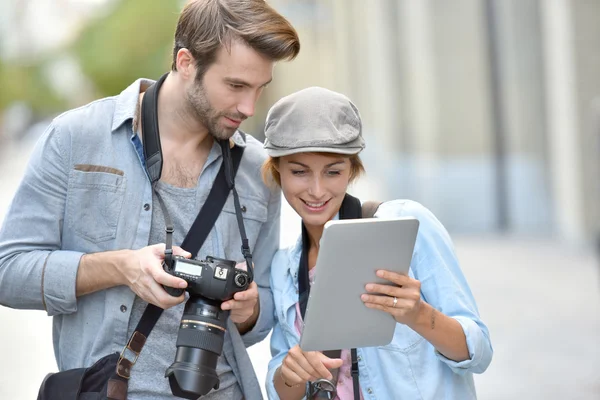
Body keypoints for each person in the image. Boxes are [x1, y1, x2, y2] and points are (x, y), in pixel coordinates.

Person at [0, 1, 300, 399]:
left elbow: (262, 314)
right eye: (236, 86)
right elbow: (9, 271)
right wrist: (121, 268)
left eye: (260, 88)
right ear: (186, 62)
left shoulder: (259, 170)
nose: (249, 107)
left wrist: (250, 310)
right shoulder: (76, 137)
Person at [261, 87, 493, 399]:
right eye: (299, 172)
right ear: (277, 170)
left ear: (352, 169)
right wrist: (291, 373)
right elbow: (282, 391)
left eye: (333, 172)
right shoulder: (282, 269)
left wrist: (419, 315)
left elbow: (478, 352)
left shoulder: (406, 225)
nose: (316, 190)